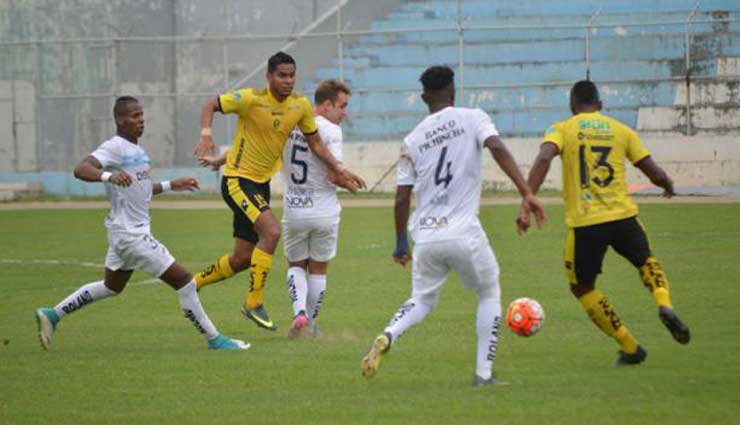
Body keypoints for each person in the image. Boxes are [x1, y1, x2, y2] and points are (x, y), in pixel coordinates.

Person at [360, 66, 546, 387]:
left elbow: (402, 198)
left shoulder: (412, 139)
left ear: (423, 97)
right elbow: (497, 147)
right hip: (463, 232)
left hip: (427, 237)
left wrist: (400, 243)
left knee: (421, 299)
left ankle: (389, 333)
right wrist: (527, 192)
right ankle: (483, 375)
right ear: (453, 90)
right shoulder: (473, 117)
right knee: (489, 292)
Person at [34, 96, 248, 351]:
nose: (140, 121)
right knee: (185, 281)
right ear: (119, 120)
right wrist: (108, 176)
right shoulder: (115, 146)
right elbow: (81, 169)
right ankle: (215, 340)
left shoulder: (136, 151)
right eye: (134, 116)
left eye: (142, 115)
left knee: (112, 287)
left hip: (122, 233)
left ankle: (52, 314)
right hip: (131, 235)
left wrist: (171, 185)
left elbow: (140, 188)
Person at [193, 52, 365, 332]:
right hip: (238, 180)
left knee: (242, 259)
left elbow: (314, 146)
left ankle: (193, 283)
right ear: (269, 76)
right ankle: (253, 302)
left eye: (291, 75)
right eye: (281, 75)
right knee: (271, 233)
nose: (287, 81)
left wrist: (340, 169)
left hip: (260, 184)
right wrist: (206, 137)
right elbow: (210, 103)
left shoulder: (299, 107)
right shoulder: (251, 99)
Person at [522, 79, 690, 365]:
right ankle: (664, 303)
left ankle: (630, 347)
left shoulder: (562, 128)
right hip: (624, 216)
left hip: (586, 223)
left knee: (582, 286)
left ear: (572, 106)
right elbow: (651, 169)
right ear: (600, 105)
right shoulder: (621, 130)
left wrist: (528, 196)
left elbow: (544, 157)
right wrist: (667, 184)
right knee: (646, 260)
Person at [281, 80, 350, 338]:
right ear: (326, 105)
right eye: (342, 106)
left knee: (295, 265)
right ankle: (310, 323)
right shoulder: (331, 130)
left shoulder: (290, 124)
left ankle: (299, 312)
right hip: (324, 211)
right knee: (319, 269)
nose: (345, 112)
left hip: (294, 210)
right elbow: (334, 177)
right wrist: (349, 180)